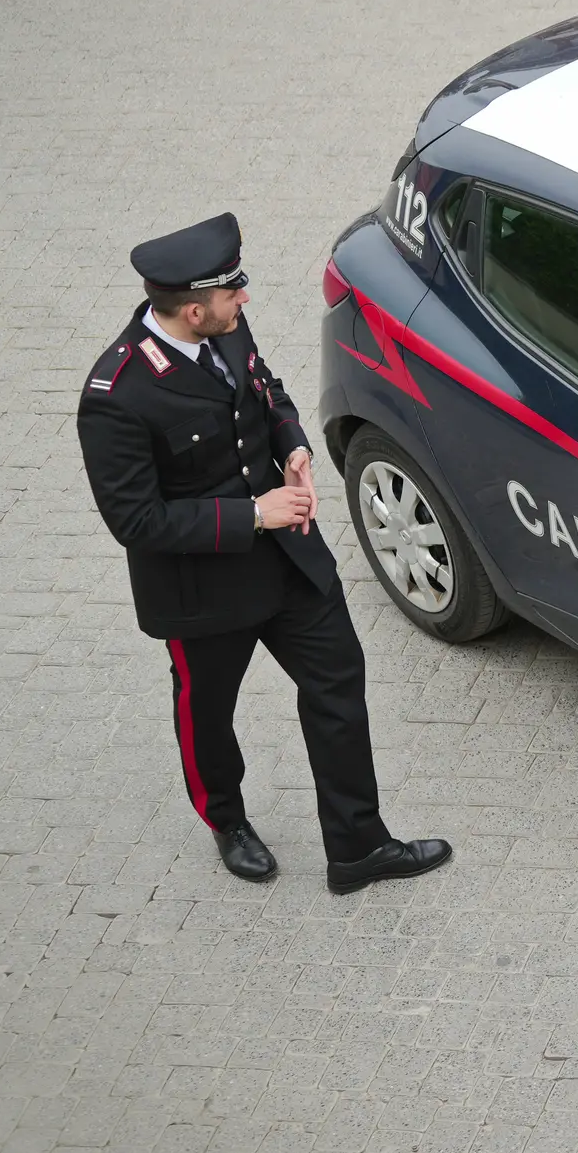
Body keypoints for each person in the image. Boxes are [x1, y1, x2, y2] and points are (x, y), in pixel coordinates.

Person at [76, 213, 452, 893]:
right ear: (193, 310)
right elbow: (135, 519)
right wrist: (254, 512)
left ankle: (358, 847)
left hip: (289, 561)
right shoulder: (117, 396)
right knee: (208, 716)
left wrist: (294, 445)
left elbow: (263, 388)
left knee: (338, 687)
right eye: (230, 295)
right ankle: (227, 820)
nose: (243, 301)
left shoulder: (222, 329)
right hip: (203, 592)